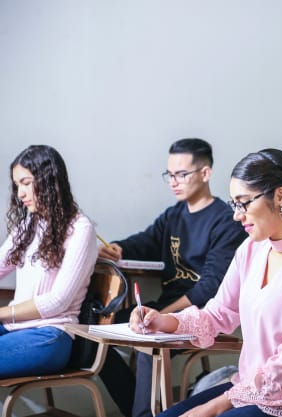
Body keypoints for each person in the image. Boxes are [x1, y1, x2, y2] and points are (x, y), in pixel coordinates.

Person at [131, 148, 282, 417]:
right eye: (234, 204)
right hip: (254, 389)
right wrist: (163, 320)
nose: (237, 215)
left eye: (244, 202)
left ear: (281, 195)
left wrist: (213, 408)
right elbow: (219, 312)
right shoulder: (251, 249)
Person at [98, 138, 247, 417]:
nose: (174, 182)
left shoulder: (226, 221)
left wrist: (162, 317)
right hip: (164, 307)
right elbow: (148, 239)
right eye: (170, 174)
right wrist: (119, 248)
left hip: (202, 314)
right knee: (96, 338)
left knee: (146, 344)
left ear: (205, 173)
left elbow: (209, 288)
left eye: (182, 174)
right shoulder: (174, 214)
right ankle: (136, 409)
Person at [0, 145, 98, 377]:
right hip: (13, 329)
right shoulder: (28, 225)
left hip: (50, 335)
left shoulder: (80, 228)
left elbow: (57, 302)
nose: (20, 193)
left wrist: (2, 312)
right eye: (17, 186)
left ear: (48, 180)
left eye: (26, 183)